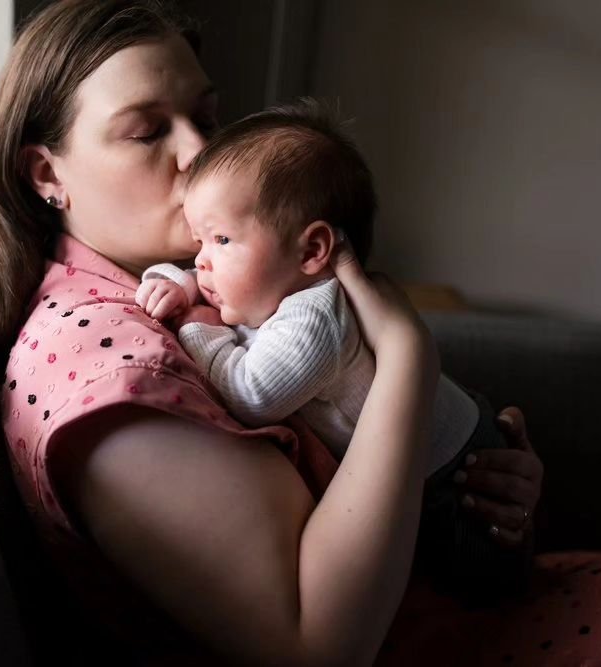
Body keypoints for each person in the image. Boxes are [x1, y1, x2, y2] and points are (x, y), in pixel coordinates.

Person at [0, 1, 601, 664]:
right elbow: (319, 642)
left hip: (462, 596)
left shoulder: (190, 283)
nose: (201, 152)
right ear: (47, 175)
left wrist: (483, 490)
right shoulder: (98, 361)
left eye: (207, 116)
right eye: (149, 131)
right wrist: (406, 361)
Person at [135, 99, 528, 600]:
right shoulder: (275, 285)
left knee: (482, 586)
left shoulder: (315, 318)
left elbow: (249, 393)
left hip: (454, 475)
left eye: (221, 239)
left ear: (312, 251)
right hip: (440, 434)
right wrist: (178, 284)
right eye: (198, 243)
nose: (201, 262)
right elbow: (205, 282)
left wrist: (192, 322)